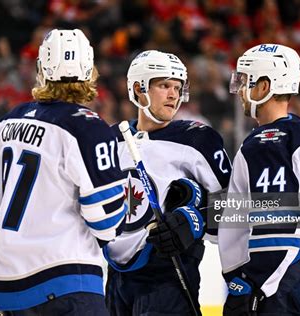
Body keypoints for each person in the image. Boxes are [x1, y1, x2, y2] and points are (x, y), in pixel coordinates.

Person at [0, 29, 126, 315]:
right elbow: (106, 221)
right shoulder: (88, 127)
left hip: (6, 287)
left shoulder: (8, 122)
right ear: (89, 69)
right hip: (67, 283)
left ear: (42, 69)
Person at [103, 50, 232, 315]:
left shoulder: (198, 140)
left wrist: (193, 220)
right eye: (164, 85)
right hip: (115, 278)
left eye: (177, 87)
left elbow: (233, 207)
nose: (173, 95)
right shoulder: (110, 139)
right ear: (139, 88)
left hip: (168, 276)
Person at [218, 44, 300, 315]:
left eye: (246, 81)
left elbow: (277, 227)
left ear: (264, 87)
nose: (240, 92)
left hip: (275, 286)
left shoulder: (268, 142)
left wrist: (254, 288)